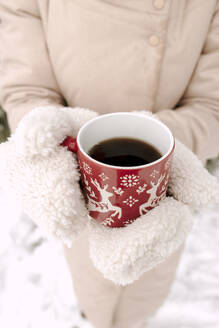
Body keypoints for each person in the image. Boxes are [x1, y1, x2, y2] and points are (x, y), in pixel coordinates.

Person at [0, 1, 219, 328]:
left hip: (161, 191)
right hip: (79, 182)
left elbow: (212, 105)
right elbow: (26, 87)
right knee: (91, 281)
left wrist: (170, 141)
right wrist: (45, 133)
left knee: (147, 281)